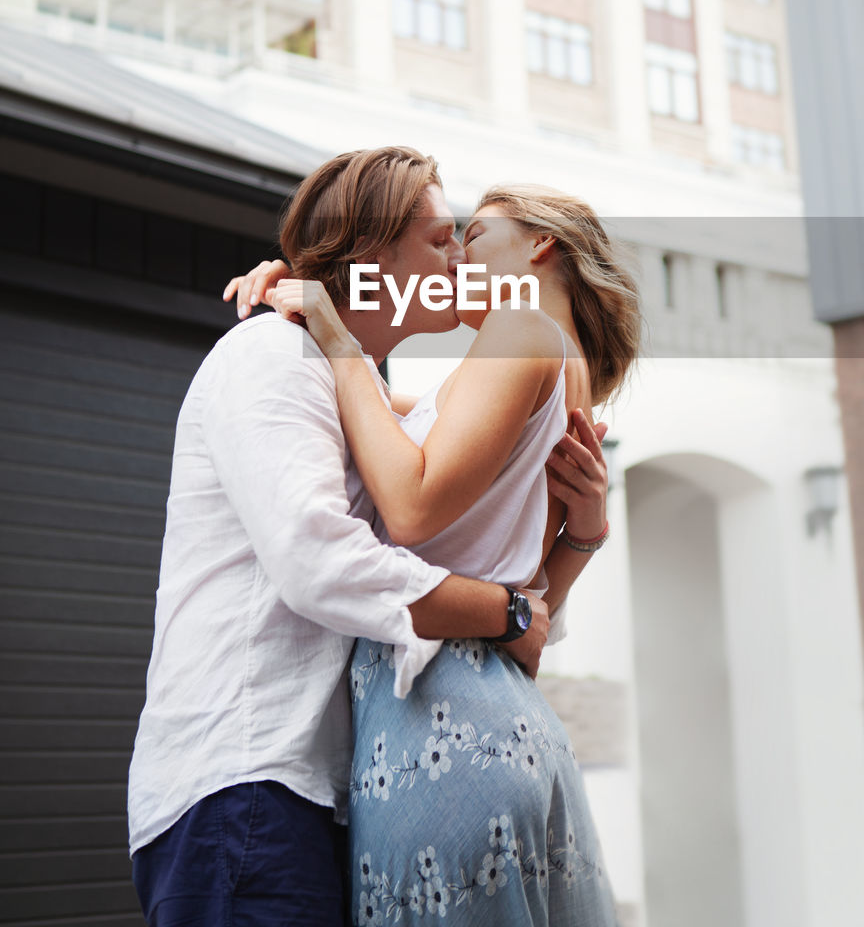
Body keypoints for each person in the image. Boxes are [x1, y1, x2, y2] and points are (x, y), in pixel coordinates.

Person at [127, 147, 609, 927]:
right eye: (440, 237)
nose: (458, 257)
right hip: (247, 782)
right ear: (373, 252)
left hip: (337, 785)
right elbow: (318, 560)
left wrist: (576, 542)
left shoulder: (368, 398)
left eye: (466, 235)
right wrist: (504, 611)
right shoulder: (273, 355)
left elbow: (463, 515)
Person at [263, 180, 641, 925]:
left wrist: (335, 340)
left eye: (474, 236)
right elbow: (529, 620)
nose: (457, 256)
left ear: (541, 245)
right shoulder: (560, 386)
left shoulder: (520, 332)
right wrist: (587, 534)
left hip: (438, 720)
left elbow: (409, 504)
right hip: (508, 716)